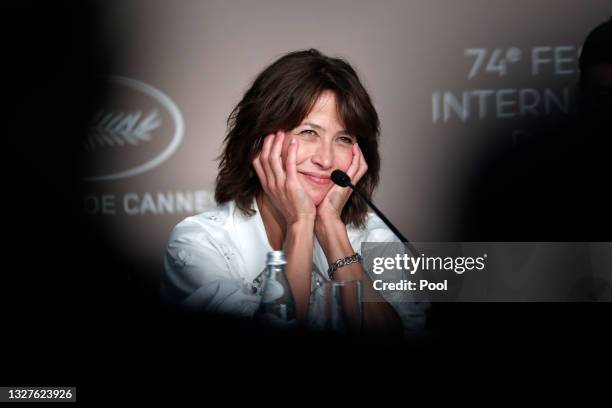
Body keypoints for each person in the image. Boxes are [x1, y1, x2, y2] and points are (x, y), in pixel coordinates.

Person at [161, 48, 428, 337]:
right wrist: (300, 223)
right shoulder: (199, 243)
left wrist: (331, 228)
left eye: (343, 139)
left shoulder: (375, 236)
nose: (326, 160)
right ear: (260, 139)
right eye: (309, 132)